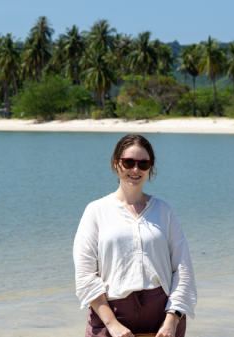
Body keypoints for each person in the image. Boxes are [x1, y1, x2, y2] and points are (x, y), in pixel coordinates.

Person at [74, 134, 197, 337]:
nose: (135, 169)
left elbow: (183, 270)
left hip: (162, 317)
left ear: (150, 167)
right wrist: (112, 325)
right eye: (128, 162)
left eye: (143, 163)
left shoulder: (164, 211)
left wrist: (172, 320)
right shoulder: (96, 210)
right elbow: (85, 275)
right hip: (109, 316)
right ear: (116, 164)